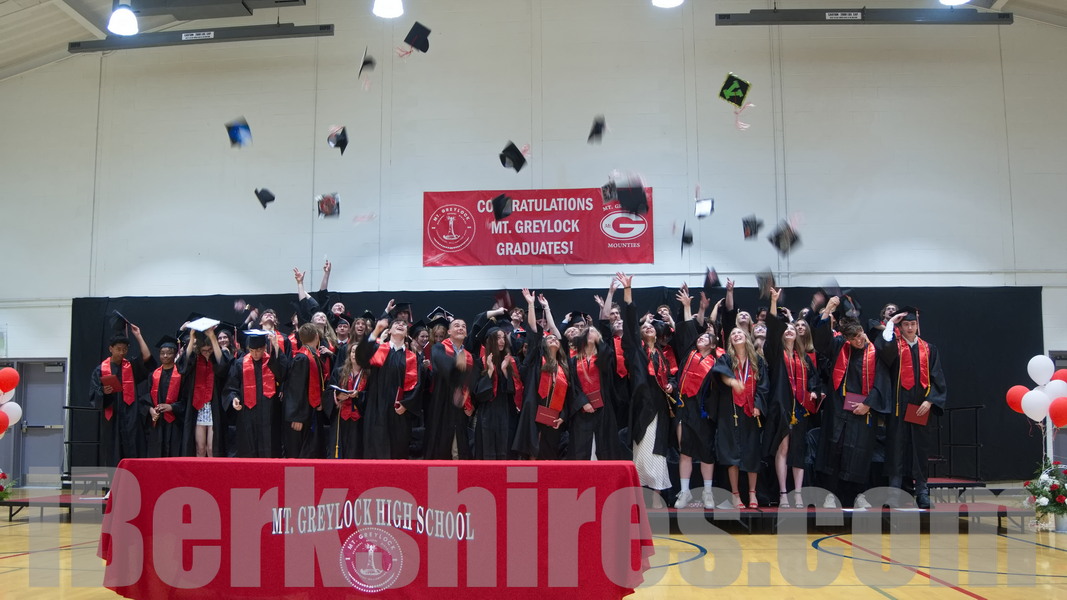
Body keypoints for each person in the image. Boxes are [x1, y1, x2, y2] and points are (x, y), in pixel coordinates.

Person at [812, 297, 891, 509]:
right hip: (838, 409)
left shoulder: (875, 352)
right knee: (833, 451)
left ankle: (858, 496)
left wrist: (869, 404)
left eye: (860, 335)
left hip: (863, 412)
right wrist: (828, 310)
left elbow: (882, 382)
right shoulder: (840, 346)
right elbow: (821, 342)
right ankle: (830, 496)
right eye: (854, 338)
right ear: (846, 338)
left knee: (859, 454)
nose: (859, 340)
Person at [877, 307, 948, 509]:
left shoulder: (929, 349)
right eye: (906, 324)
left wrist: (930, 400)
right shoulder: (894, 346)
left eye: (913, 324)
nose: (909, 328)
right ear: (900, 327)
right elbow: (882, 348)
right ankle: (894, 493)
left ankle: (922, 492)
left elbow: (937, 376)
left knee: (920, 450)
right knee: (896, 448)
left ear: (918, 325)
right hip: (898, 407)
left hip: (920, 407)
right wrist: (891, 323)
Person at [616, 273, 673, 505]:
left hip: (660, 406)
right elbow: (630, 325)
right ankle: (639, 496)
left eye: (652, 327)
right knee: (641, 450)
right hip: (642, 406)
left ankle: (657, 496)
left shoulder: (663, 355)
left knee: (659, 450)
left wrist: (672, 384)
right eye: (645, 326)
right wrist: (628, 292)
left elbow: (672, 377)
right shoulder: (635, 351)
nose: (648, 328)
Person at [763, 288, 819, 508]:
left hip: (800, 408)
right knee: (783, 448)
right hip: (781, 407)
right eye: (785, 329)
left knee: (798, 451)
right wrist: (774, 302)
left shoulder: (803, 357)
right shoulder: (776, 354)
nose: (789, 331)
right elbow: (772, 328)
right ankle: (783, 493)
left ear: (797, 335)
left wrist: (813, 390)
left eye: (792, 329)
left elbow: (814, 379)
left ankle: (798, 493)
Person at [671, 285, 721, 510]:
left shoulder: (718, 361)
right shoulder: (688, 354)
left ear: (713, 344)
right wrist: (688, 307)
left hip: (704, 411)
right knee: (685, 451)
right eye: (700, 338)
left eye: (706, 338)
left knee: (707, 452)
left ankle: (708, 492)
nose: (701, 339)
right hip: (684, 408)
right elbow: (689, 331)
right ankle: (685, 491)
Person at [711, 326, 769, 509]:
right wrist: (732, 381)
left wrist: (758, 405)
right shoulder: (726, 359)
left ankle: (752, 493)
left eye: (740, 333)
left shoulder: (757, 360)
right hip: (730, 411)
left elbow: (763, 385)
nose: (736, 335)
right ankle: (735, 494)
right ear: (730, 340)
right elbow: (719, 374)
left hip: (750, 411)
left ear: (747, 338)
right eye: (733, 333)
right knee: (731, 453)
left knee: (752, 452)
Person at [513, 289, 570, 460]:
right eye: (549, 338)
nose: (553, 339)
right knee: (533, 451)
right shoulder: (537, 359)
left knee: (549, 453)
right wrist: (531, 305)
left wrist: (563, 415)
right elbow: (533, 330)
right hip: (534, 409)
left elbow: (569, 395)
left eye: (555, 339)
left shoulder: (564, 367)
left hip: (553, 414)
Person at [356, 317, 423, 459]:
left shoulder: (412, 357)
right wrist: (376, 332)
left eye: (404, 324)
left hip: (399, 411)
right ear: (389, 331)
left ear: (407, 333)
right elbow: (360, 357)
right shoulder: (379, 350)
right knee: (376, 448)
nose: (401, 324)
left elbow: (418, 385)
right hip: (377, 407)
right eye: (397, 323)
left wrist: (406, 404)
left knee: (398, 450)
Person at [89, 324, 153, 466]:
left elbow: (147, 357)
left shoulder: (131, 366)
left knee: (133, 449)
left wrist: (138, 336)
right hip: (112, 417)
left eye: (125, 349)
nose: (122, 352)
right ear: (110, 349)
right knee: (113, 451)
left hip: (131, 416)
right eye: (118, 349)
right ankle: (114, 480)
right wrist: (103, 392)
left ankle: (133, 478)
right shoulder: (100, 370)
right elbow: (94, 394)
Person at [226, 333, 288, 458]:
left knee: (270, 446)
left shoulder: (272, 362)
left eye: (258, 350)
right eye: (252, 350)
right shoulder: (240, 363)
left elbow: (283, 374)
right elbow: (231, 387)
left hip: (269, 412)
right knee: (249, 447)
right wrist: (234, 398)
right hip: (247, 413)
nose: (255, 354)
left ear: (264, 348)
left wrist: (276, 346)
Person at [426, 318, 479, 460]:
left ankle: (460, 472)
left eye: (463, 326)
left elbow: (472, 381)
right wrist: (457, 366)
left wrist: (469, 402)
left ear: (466, 333)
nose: (461, 328)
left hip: (459, 404)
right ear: (449, 331)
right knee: (440, 442)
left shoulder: (469, 356)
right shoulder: (439, 348)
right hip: (442, 402)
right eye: (456, 325)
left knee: (459, 445)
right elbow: (441, 364)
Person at [179, 326, 231, 457]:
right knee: (200, 448)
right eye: (204, 350)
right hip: (198, 408)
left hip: (214, 408)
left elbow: (223, 366)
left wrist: (213, 337)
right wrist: (192, 338)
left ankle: (213, 470)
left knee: (212, 447)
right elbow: (183, 365)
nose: (207, 353)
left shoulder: (218, 357)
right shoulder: (195, 360)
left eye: (209, 350)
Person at [283, 323, 329, 458]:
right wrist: (297, 417)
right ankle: (299, 475)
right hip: (301, 416)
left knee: (311, 452)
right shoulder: (302, 358)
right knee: (301, 453)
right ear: (317, 336)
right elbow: (295, 390)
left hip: (310, 411)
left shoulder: (312, 356)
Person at [473, 327, 520, 459]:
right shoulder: (480, 362)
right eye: (498, 338)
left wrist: (504, 371)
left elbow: (513, 390)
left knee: (504, 447)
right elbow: (478, 394)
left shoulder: (510, 362)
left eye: (503, 338)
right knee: (486, 447)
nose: (502, 341)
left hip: (505, 411)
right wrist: (489, 371)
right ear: (490, 340)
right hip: (487, 411)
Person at [146, 336, 184, 458]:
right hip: (157, 421)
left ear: (175, 354)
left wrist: (172, 407)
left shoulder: (182, 374)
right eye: (162, 353)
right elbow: (145, 398)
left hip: (175, 422)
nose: (165, 356)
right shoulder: (153, 375)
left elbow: (187, 399)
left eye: (169, 353)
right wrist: (151, 410)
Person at [328, 343, 366, 459]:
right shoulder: (339, 372)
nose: (355, 354)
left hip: (359, 420)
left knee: (355, 451)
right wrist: (337, 396)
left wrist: (359, 394)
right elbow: (329, 391)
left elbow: (373, 396)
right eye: (353, 352)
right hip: (341, 417)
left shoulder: (368, 375)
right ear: (349, 355)